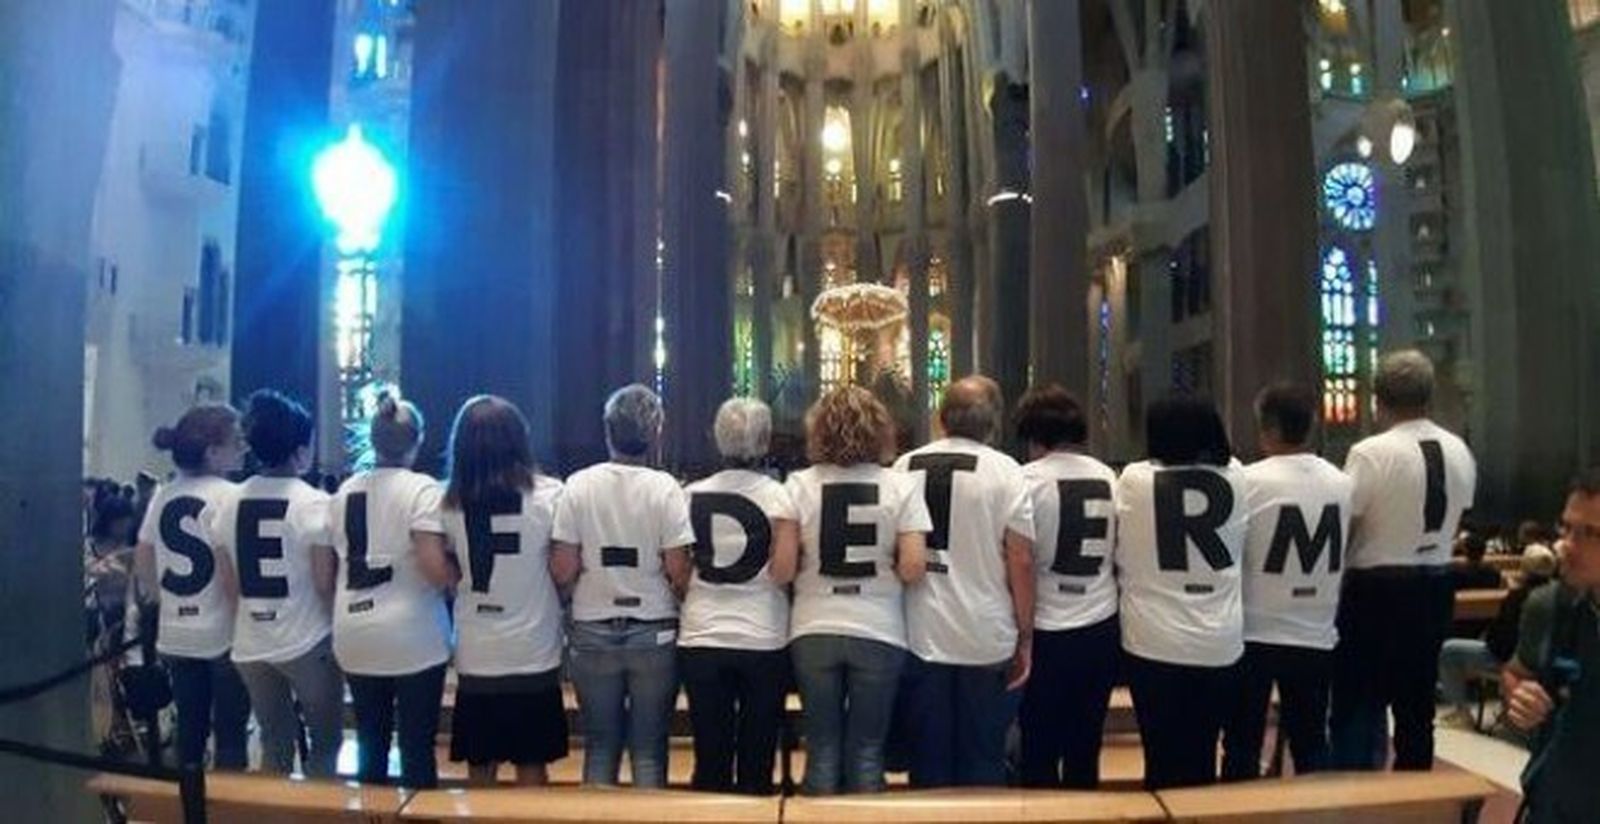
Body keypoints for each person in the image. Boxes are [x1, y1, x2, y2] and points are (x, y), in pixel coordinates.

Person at [1330, 350, 1476, 772]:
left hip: (1376, 587)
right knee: (1417, 708)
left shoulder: (1371, 452)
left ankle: (1357, 792)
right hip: (1436, 583)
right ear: (1429, 396)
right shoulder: (1458, 449)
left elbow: (1347, 522)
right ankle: (1417, 794)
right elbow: (1459, 515)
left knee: (1358, 703)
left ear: (1378, 400)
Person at [788, 386, 930, 795]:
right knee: (867, 752)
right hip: (878, 626)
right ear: (880, 431)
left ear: (818, 431)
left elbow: (784, 566)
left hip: (814, 625)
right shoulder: (901, 486)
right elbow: (914, 566)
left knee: (822, 750)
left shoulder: (799, 485)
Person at [893, 376, 1034, 787]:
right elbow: (1021, 558)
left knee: (928, 761)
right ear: (995, 422)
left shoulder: (905, 466)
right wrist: (1026, 633)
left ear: (941, 419)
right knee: (984, 760)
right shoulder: (1006, 471)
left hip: (920, 629)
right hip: (985, 630)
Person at [551, 384, 693, 788]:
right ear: (656, 433)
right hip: (653, 626)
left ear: (607, 430)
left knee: (599, 746)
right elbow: (678, 569)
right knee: (649, 749)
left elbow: (562, 568)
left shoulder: (578, 485)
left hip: (593, 624)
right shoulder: (665, 488)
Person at [1220, 384, 1352, 780]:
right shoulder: (1341, 481)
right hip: (1315, 629)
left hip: (1255, 630)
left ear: (1269, 429)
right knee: (1311, 743)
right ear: (1311, 426)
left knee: (1242, 744)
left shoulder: (1246, 480)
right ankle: (1317, 809)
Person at [209, 390, 344, 777]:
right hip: (306, 639)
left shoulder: (228, 502)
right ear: (300, 451)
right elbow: (324, 582)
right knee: (325, 743)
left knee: (274, 741)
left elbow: (228, 585)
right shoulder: (314, 502)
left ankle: (272, 806)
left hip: (251, 642)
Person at [1116, 397, 1246, 789]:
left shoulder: (1134, 480)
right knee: (1203, 755)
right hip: (1218, 638)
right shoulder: (1237, 476)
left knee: (1160, 756)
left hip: (1153, 638)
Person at [439, 396, 569, 786]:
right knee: (532, 765)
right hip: (533, 648)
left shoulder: (445, 503)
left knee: (480, 767)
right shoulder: (551, 495)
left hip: (477, 649)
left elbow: (444, 569)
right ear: (519, 440)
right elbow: (563, 569)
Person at [327, 390, 454, 787]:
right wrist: (461, 580)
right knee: (416, 747)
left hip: (354, 629)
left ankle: (370, 811)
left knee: (370, 744)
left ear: (373, 440)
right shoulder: (422, 490)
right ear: (418, 441)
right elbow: (434, 569)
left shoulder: (344, 491)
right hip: (412, 633)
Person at [679, 398, 800, 794]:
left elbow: (678, 567)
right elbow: (784, 571)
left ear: (717, 439)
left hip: (702, 632)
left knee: (710, 759)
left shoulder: (690, 495)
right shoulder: (781, 496)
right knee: (757, 760)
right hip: (762, 634)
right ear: (765, 440)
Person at [130, 405, 250, 770]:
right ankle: (228, 800)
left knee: (190, 730)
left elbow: (143, 556)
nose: (243, 448)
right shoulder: (232, 495)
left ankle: (189, 798)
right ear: (213, 452)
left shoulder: (164, 494)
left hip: (177, 632)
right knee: (231, 733)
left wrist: (161, 599)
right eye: (236, 441)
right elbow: (230, 568)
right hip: (222, 632)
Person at [1014, 385, 1120, 789]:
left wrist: (1022, 633)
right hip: (1099, 623)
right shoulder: (1107, 476)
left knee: (1038, 746)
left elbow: (1019, 558)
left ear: (1032, 435)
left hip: (1046, 627)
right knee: (1085, 745)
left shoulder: (1026, 480)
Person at [1503, 470, 1600, 821]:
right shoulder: (1549, 606)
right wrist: (1519, 697)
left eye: (1591, 534)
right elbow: (1517, 673)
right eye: (1566, 528)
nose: (1567, 545)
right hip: (1552, 805)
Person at [1436, 545, 1558, 728]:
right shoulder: (1560, 597)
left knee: (1448, 650)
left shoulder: (1518, 597)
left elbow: (1499, 641)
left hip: (1508, 660)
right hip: (1544, 663)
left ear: (1524, 567)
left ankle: (1462, 712)